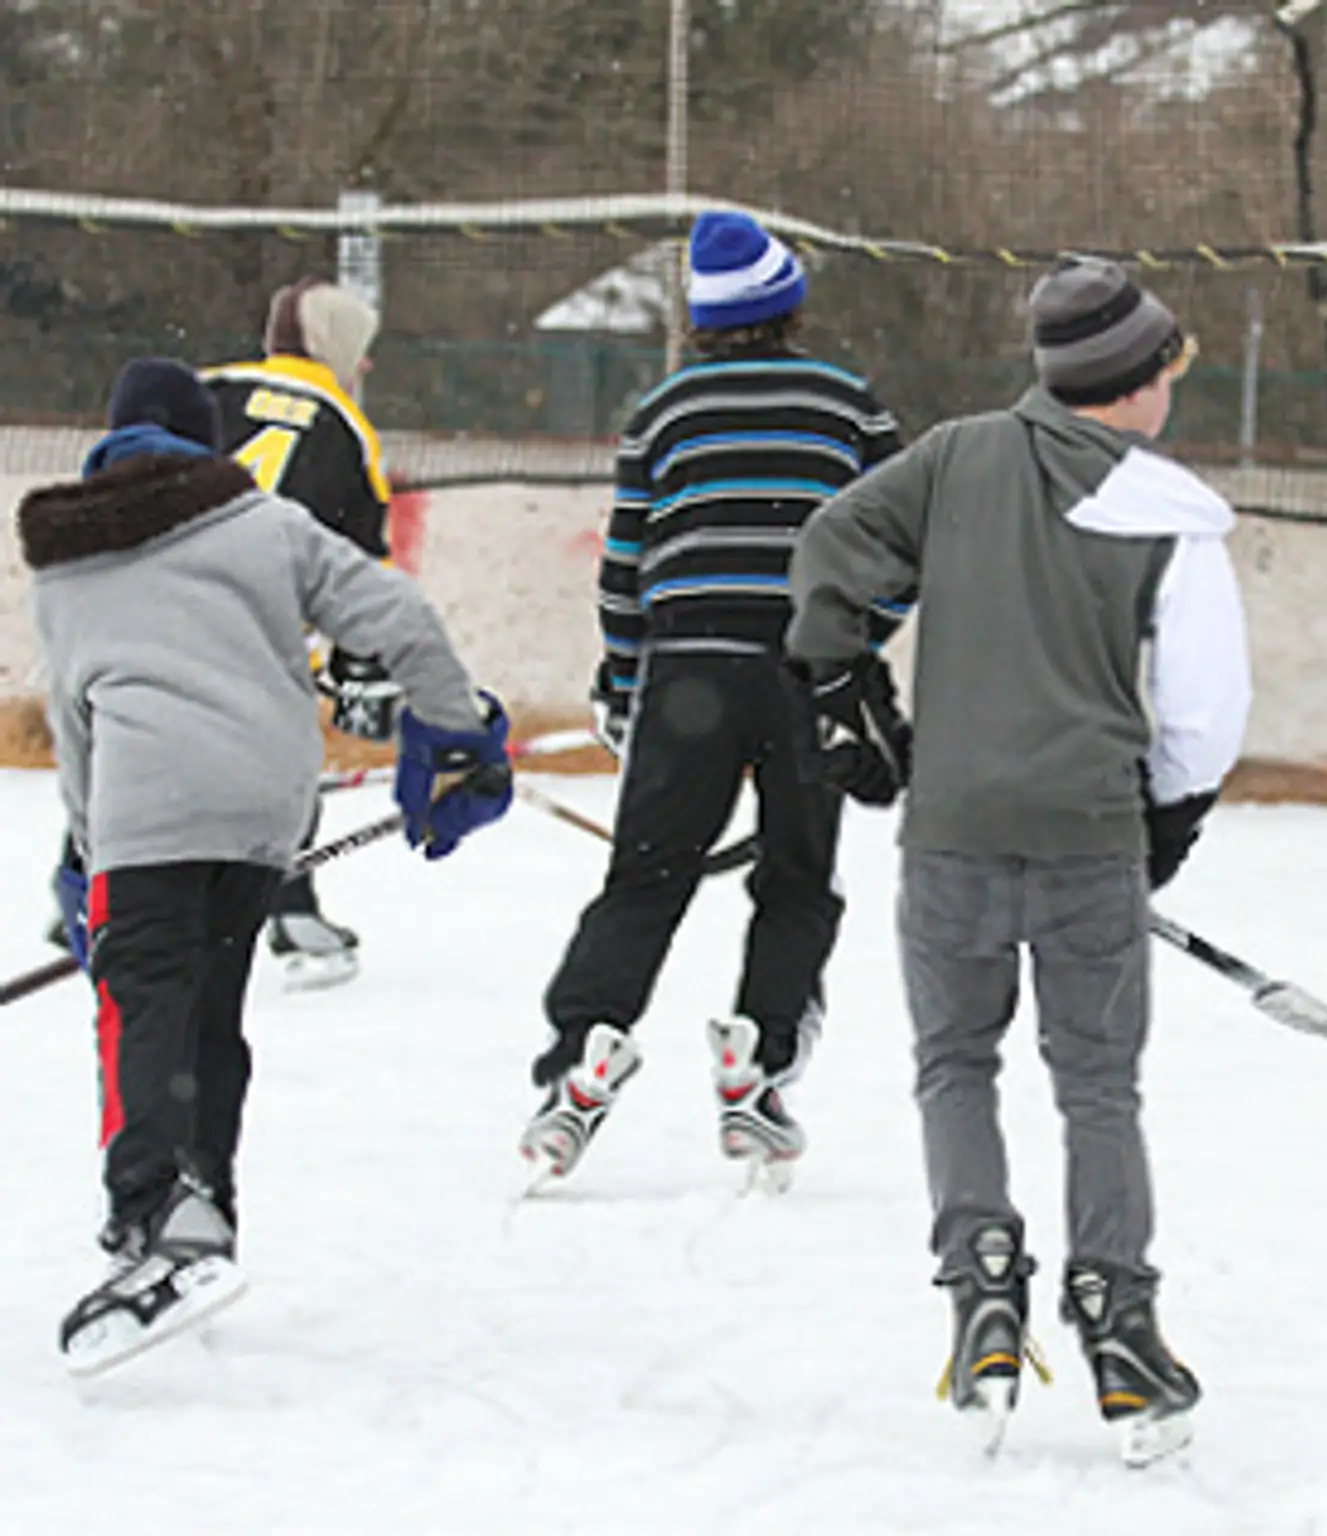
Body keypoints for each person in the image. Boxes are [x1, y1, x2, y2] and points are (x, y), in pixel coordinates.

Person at [784, 256, 1252, 1464]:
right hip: (1089, 830)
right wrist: (1170, 816)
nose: (1171, 392)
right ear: (1134, 382)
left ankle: (980, 1285)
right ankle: (1119, 1320)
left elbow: (832, 550)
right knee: (1097, 1085)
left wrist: (847, 693)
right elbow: (1203, 706)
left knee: (955, 1064)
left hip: (950, 825)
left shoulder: (953, 458)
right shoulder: (1167, 505)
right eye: (1166, 371)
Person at [21, 357, 510, 1375]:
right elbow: (403, 620)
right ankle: (207, 1208)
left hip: (146, 805)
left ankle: (153, 1217)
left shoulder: (67, 564)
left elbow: (75, 725)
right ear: (205, 443)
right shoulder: (264, 524)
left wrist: (83, 854)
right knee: (207, 1011)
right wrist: (456, 736)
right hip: (265, 808)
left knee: (141, 1008)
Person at [519, 211, 903, 1191]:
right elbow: (906, 540)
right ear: (790, 304)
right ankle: (759, 1056)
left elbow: (624, 564)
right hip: (803, 672)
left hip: (685, 672)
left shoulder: (663, 411)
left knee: (645, 878)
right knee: (795, 876)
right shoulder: (849, 404)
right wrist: (856, 646)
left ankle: (583, 1048)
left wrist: (621, 680)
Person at [203, 278, 395, 989]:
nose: (366, 365)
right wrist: (361, 675)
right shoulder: (345, 426)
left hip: (157, 606)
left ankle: (84, 882)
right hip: (262, 623)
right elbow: (360, 573)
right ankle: (290, 909)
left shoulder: (206, 386)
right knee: (279, 767)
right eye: (361, 349)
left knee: (145, 744)